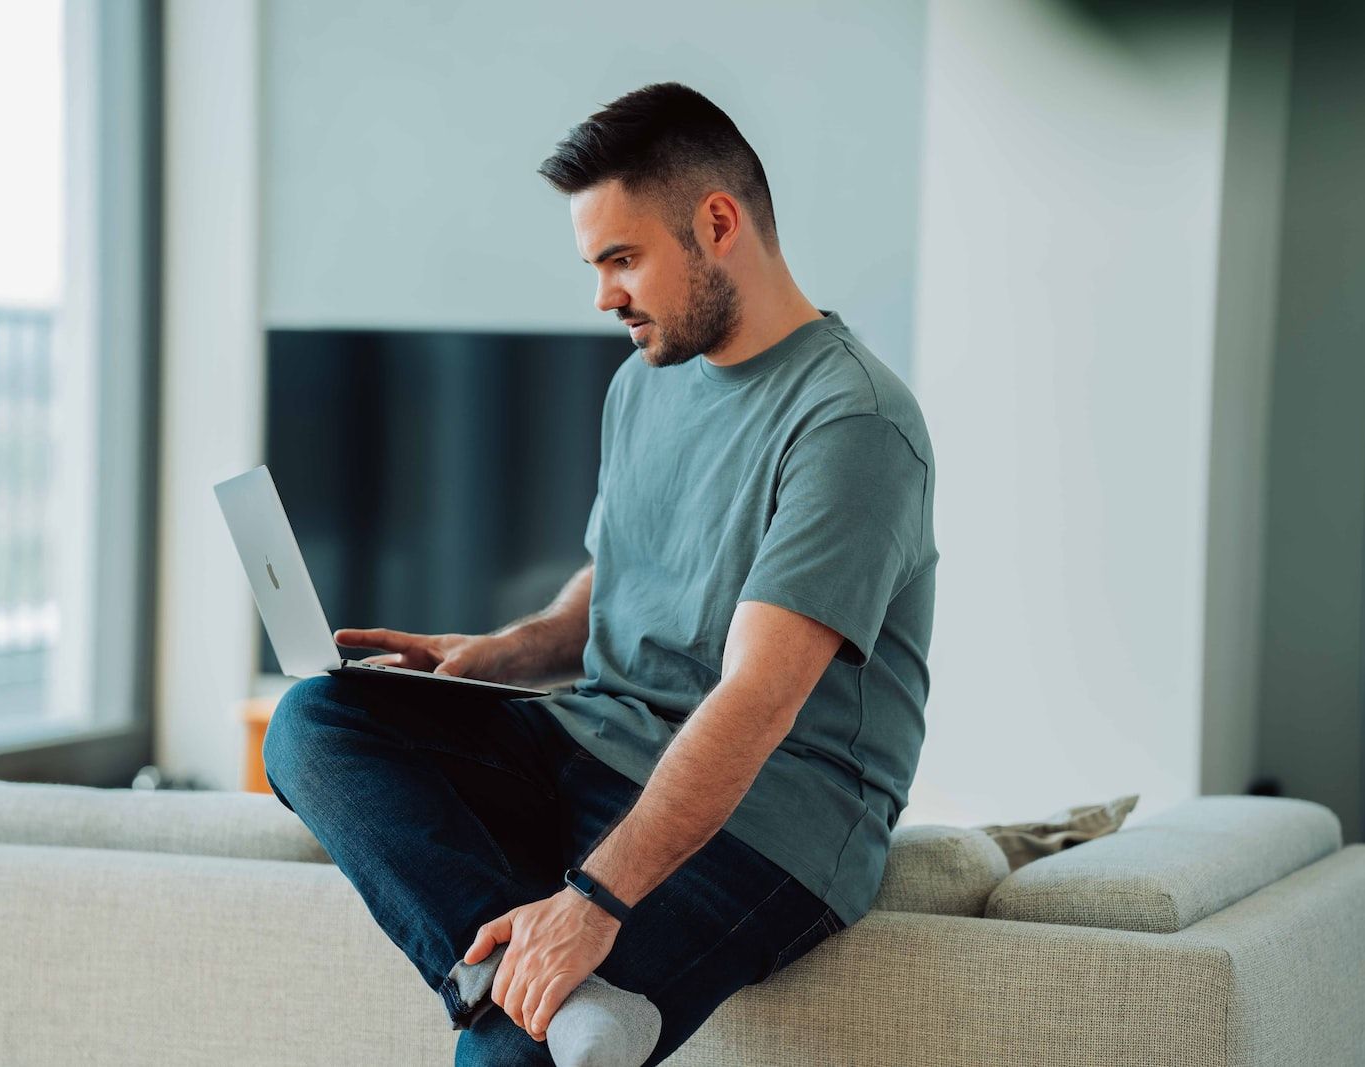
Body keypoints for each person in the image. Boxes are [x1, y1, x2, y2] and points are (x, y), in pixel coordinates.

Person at [262, 81, 939, 1066]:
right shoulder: (643, 383)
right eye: (595, 264)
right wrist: (505, 650)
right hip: (602, 740)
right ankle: (522, 989)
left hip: (775, 818)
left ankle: (523, 1015)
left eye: (622, 259)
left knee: (509, 1061)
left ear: (717, 224)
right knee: (318, 722)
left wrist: (593, 901)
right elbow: (619, 569)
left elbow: (757, 696)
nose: (602, 295)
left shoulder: (851, 421)